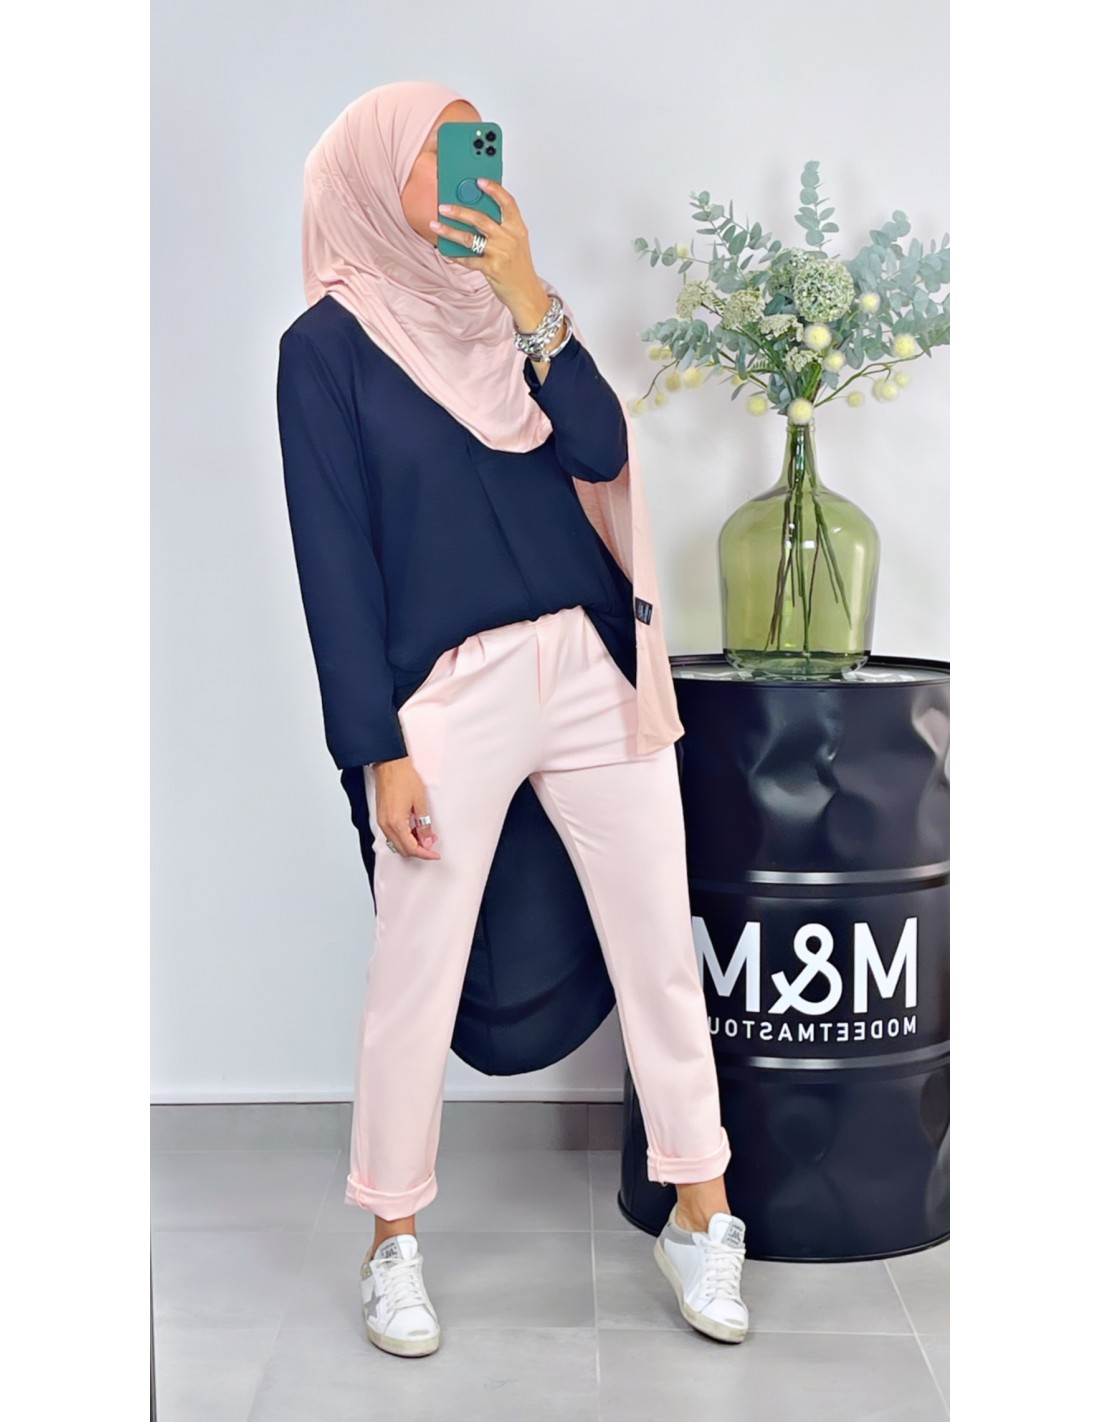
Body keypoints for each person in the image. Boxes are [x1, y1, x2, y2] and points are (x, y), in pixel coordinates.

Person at [275, 80, 749, 1358]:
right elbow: (333, 563)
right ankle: (391, 1239)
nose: (468, 173)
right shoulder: (323, 351)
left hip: (587, 665)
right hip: (446, 694)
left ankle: (700, 1211)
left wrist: (530, 294)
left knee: (657, 941)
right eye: (437, 152)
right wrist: (375, 748)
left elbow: (598, 449)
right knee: (414, 969)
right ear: (371, 179)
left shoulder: (505, 313)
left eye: (477, 147)